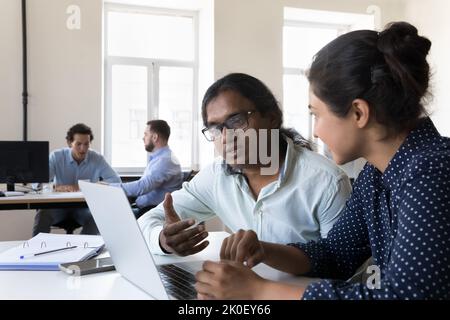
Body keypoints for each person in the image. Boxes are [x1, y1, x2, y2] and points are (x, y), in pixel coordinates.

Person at [194, 22, 450, 300]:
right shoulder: (375, 176)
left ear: (358, 113)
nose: (314, 131)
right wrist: (265, 250)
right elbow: (335, 255)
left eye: (316, 114)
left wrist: (260, 290)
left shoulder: (433, 170)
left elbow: (406, 296)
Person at [138, 73, 352, 256]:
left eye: (236, 121)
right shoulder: (217, 175)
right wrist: (164, 240)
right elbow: (149, 220)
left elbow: (342, 271)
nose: (225, 137)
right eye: (215, 128)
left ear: (272, 118)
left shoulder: (326, 182)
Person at [33, 123, 121, 235]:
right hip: (58, 207)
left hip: (84, 207)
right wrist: (60, 188)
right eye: (78, 144)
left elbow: (116, 181)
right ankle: (36, 249)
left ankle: (84, 249)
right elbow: (37, 185)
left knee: (97, 216)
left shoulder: (97, 158)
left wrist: (89, 187)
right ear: (70, 143)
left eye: (86, 144)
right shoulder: (56, 156)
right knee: (42, 214)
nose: (83, 149)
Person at [111, 120, 183, 217]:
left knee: (112, 215)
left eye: (146, 134)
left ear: (155, 137)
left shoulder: (165, 160)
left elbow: (142, 187)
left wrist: (109, 187)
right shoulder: (159, 159)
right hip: (145, 208)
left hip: (153, 211)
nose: (143, 138)